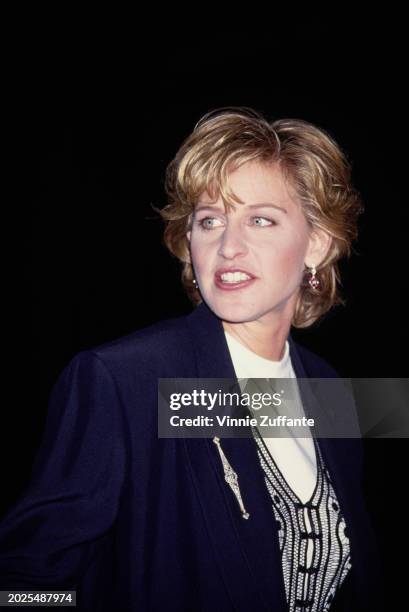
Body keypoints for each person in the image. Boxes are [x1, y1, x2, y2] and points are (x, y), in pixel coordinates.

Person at [0, 107, 383, 611]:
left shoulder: (331, 392)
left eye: (261, 219)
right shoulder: (124, 381)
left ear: (316, 243)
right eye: (210, 221)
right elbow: (23, 584)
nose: (228, 245)